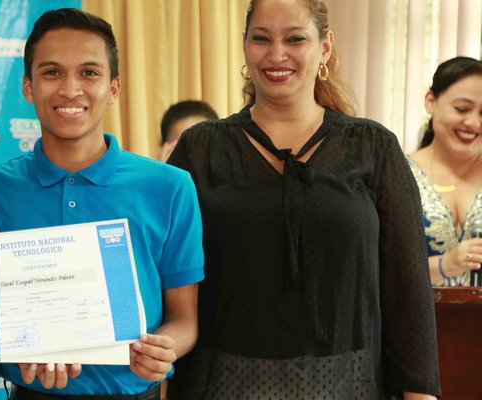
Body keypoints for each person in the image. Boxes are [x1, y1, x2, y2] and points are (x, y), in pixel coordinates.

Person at [165, 0, 441, 398]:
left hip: (350, 385)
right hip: (224, 384)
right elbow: (162, 273)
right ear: (245, 46)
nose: (277, 55)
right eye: (261, 39)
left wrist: (421, 393)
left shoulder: (372, 146)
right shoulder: (202, 148)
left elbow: (408, 289)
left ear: (325, 47)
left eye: (295, 39)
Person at [0, 8, 204, 400]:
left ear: (114, 88)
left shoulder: (169, 187)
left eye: (89, 72)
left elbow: (184, 320)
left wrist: (164, 348)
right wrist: (19, 352)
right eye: (51, 72)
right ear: (28, 87)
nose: (70, 89)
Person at [407, 56, 482, 287]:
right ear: (430, 101)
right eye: (462, 109)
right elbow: (378, 268)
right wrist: (444, 265)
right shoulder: (398, 174)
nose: (474, 123)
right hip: (418, 320)